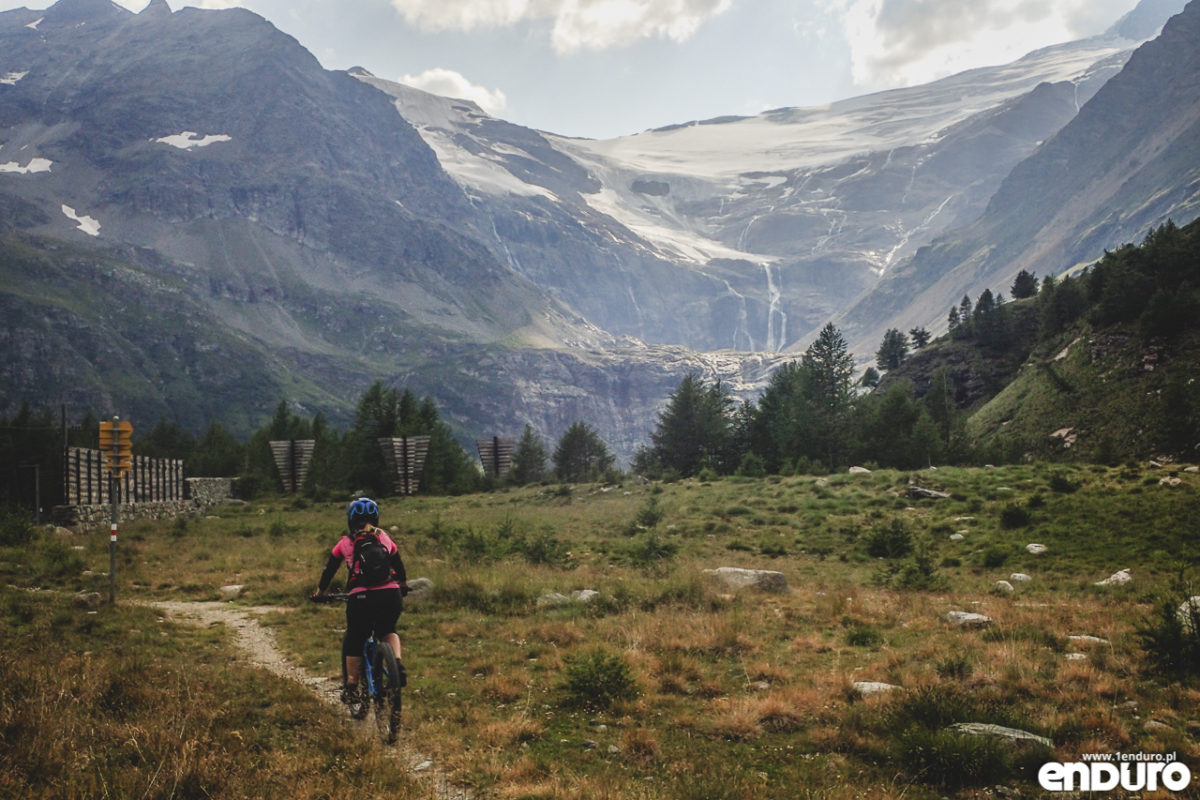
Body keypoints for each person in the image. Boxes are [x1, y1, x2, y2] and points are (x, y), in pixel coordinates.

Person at [312, 496, 408, 703]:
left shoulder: (345, 543)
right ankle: (397, 664)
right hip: (390, 595)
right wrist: (403, 584)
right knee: (388, 630)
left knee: (355, 637)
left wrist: (320, 592)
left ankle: (352, 687)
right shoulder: (384, 537)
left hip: (361, 597)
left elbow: (329, 570)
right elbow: (398, 566)